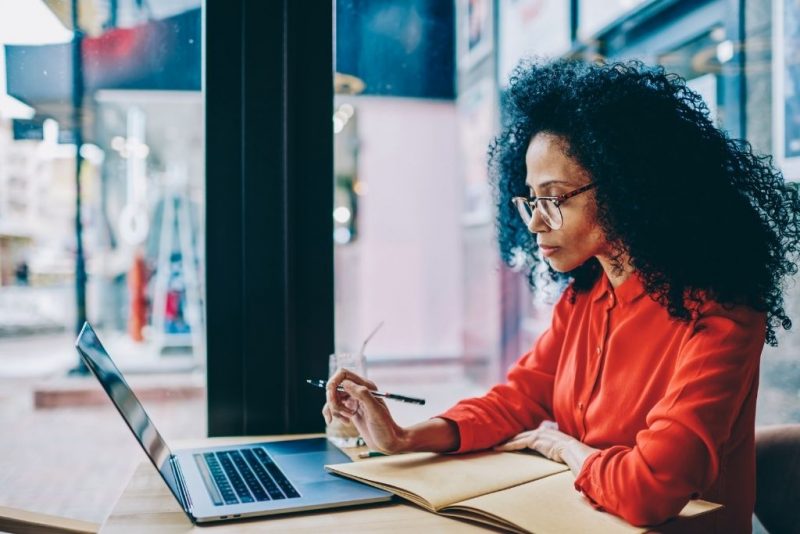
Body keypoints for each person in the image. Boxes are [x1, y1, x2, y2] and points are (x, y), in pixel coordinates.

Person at [322, 59, 800, 532]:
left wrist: (568, 449)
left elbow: (652, 488)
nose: (534, 221)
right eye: (531, 198)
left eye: (554, 197)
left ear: (629, 188)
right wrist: (403, 437)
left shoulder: (718, 313)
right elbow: (516, 401)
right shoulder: (585, 297)